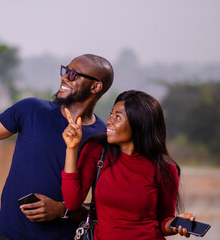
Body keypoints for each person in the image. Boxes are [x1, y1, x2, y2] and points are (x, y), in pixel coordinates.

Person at [0, 45, 114, 240]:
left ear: (95, 86)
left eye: (74, 74)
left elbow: (106, 210)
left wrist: (61, 210)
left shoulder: (104, 138)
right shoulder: (31, 109)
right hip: (6, 234)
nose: (65, 77)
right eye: (65, 70)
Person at [62, 90, 195, 240]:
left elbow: (163, 222)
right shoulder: (97, 150)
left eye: (117, 117)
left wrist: (178, 224)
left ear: (139, 123)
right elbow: (72, 203)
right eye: (111, 114)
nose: (109, 121)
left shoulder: (165, 168)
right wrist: (71, 148)